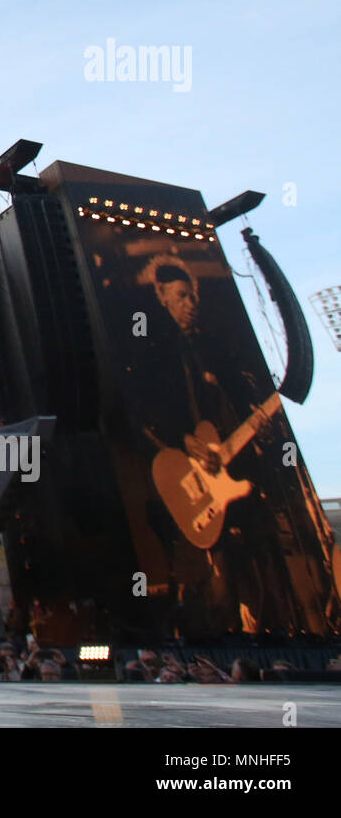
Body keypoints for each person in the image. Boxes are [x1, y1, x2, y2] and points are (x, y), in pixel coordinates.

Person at [138, 255, 295, 636]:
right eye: (181, 296)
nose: (190, 303)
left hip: (237, 469)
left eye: (192, 296)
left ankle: (275, 628)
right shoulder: (156, 352)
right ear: (162, 297)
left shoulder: (214, 348)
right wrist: (183, 440)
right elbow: (148, 412)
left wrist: (261, 420)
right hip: (197, 482)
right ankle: (222, 632)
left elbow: (240, 399)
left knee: (265, 554)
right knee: (220, 573)